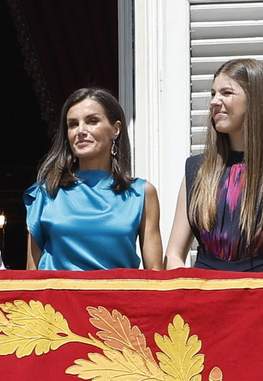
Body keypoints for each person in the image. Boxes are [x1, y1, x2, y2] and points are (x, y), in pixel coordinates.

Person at [164, 58, 263, 272]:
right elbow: (173, 254)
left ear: (254, 100)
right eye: (213, 93)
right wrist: (190, 288)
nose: (214, 101)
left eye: (226, 93)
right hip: (206, 297)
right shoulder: (197, 170)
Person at [25, 88, 163, 271]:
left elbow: (155, 274)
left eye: (92, 121)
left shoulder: (142, 193)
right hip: (58, 297)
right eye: (73, 124)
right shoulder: (45, 192)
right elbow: (30, 275)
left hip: (118, 298)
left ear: (116, 129)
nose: (81, 130)